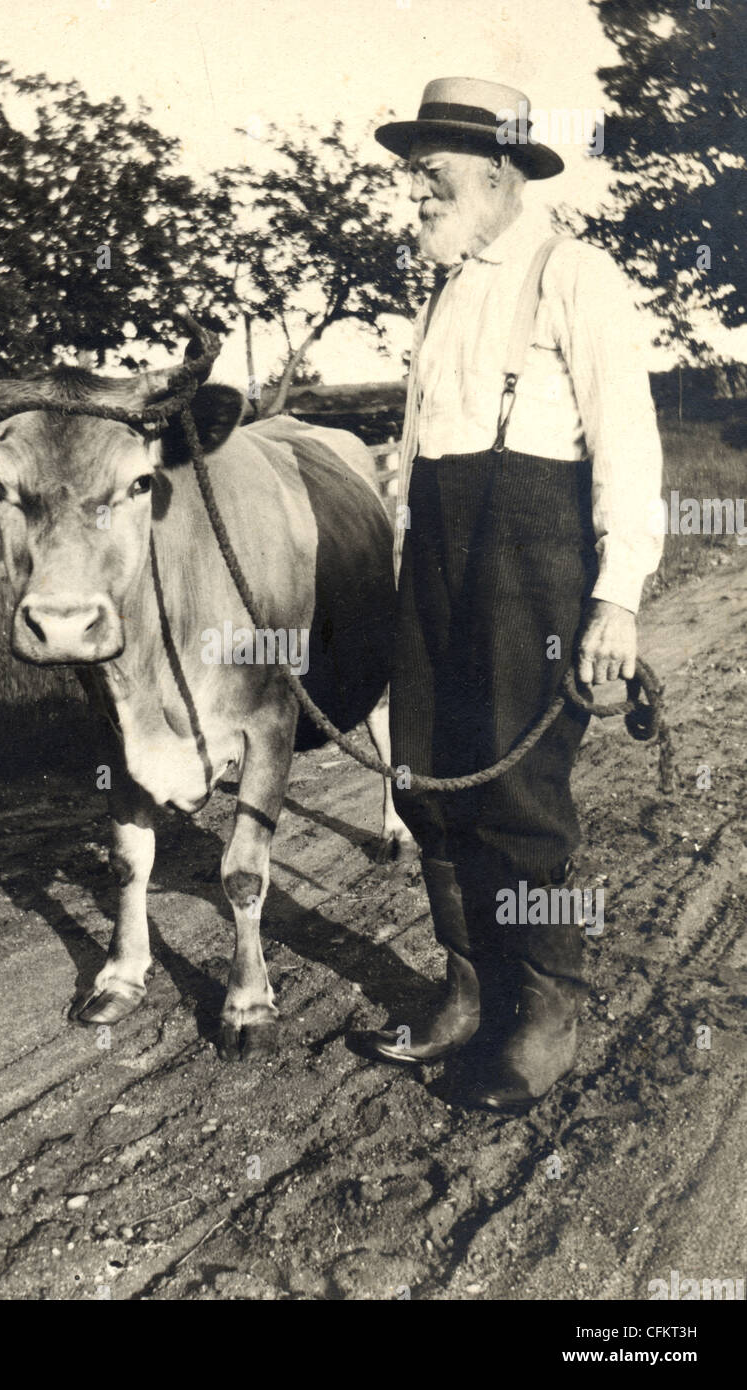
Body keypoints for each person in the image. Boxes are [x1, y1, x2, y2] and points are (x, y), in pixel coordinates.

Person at [360, 77, 663, 1111]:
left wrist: (615, 596)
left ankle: (542, 1011)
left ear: (496, 173)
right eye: (412, 179)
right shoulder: (440, 290)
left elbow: (625, 440)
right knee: (425, 777)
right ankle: (466, 989)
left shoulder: (568, 272)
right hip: (438, 555)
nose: (415, 194)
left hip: (530, 559)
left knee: (517, 795)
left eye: (431, 177)